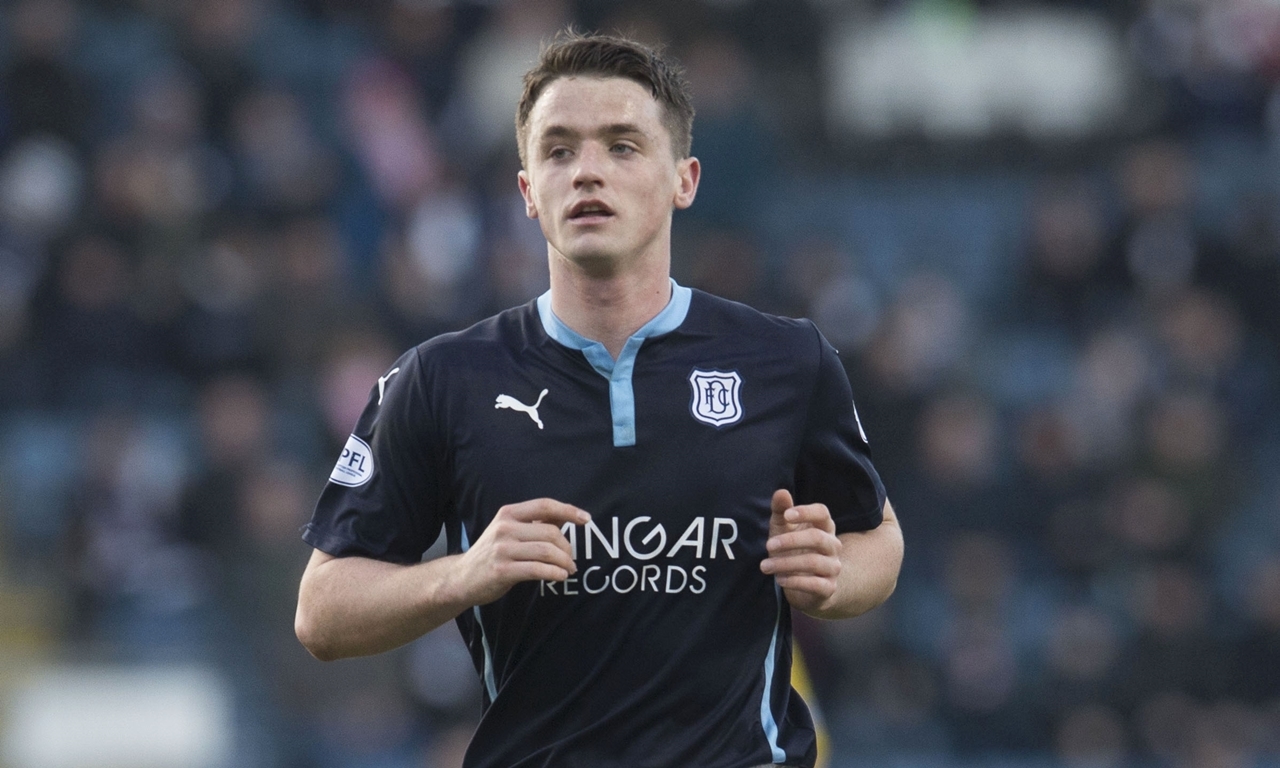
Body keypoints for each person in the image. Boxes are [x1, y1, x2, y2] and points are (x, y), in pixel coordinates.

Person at [295, 31, 903, 768]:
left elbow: (877, 537)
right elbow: (321, 611)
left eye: (622, 146)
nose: (587, 172)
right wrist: (462, 575)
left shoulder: (787, 360)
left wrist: (834, 580)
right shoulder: (443, 380)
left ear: (685, 179)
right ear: (526, 192)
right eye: (557, 150)